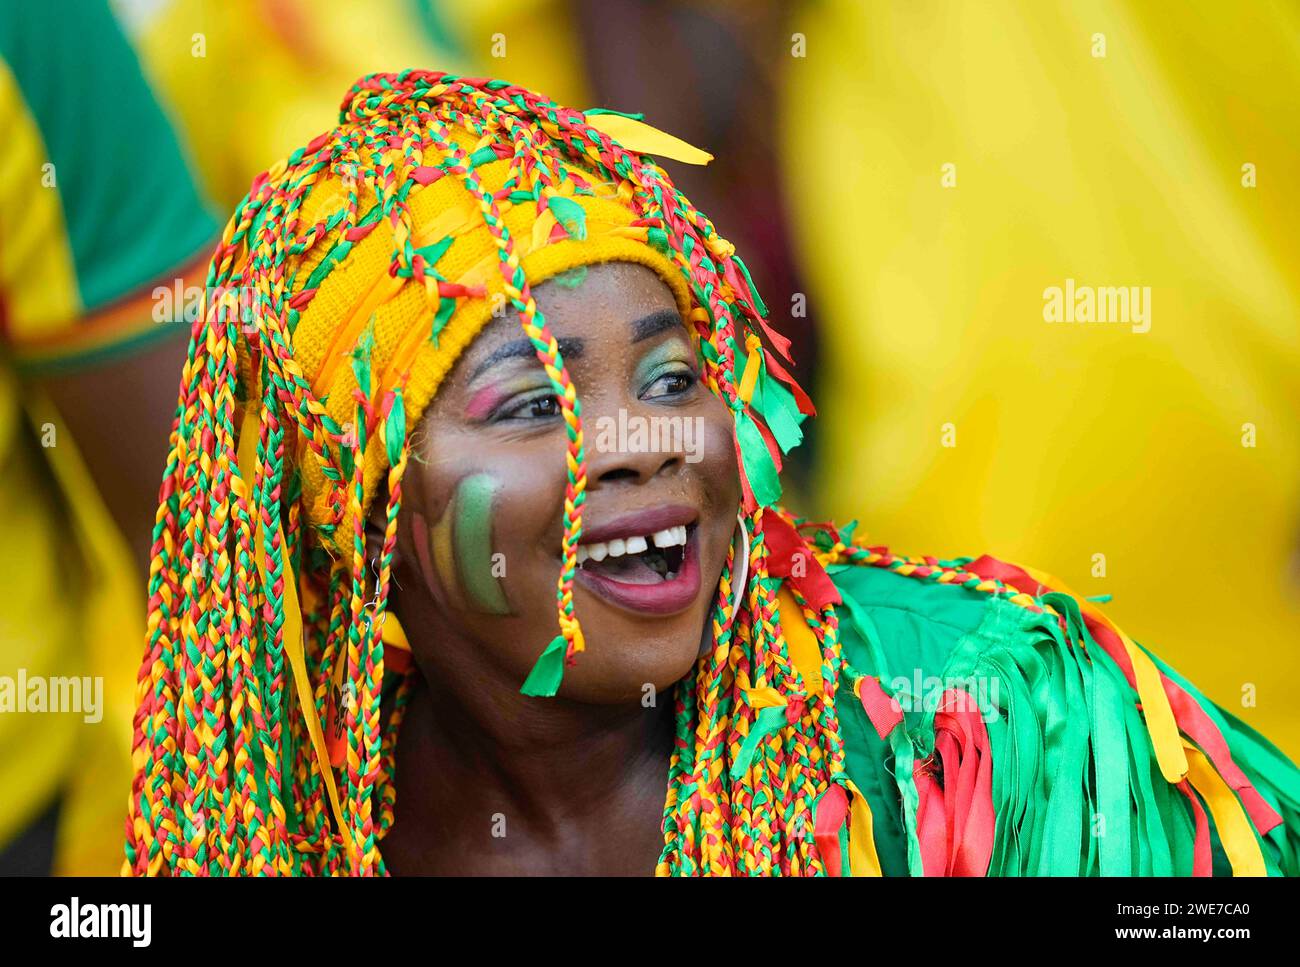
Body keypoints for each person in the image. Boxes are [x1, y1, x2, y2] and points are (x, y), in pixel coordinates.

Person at [124, 70, 1300, 876]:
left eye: (676, 379)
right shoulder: (291, 815)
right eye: (534, 403)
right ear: (360, 501)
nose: (647, 438)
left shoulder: (977, 722)